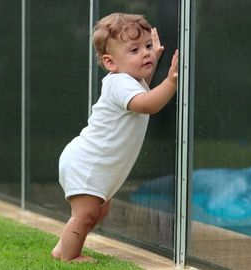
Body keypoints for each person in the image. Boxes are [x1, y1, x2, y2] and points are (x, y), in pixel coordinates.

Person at [51, 12, 178, 262]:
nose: (145, 53)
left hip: (92, 162)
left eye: (148, 46)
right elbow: (147, 104)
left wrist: (154, 58)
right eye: (135, 50)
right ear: (111, 62)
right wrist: (172, 80)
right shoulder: (119, 83)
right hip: (87, 164)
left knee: (98, 210)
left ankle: (62, 248)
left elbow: (143, 87)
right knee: (85, 214)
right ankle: (70, 256)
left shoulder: (129, 81)